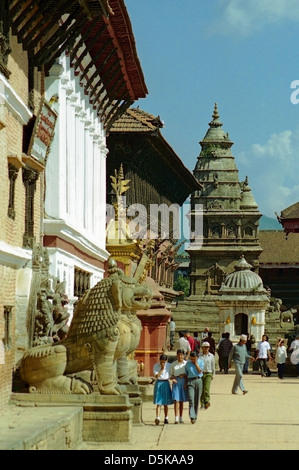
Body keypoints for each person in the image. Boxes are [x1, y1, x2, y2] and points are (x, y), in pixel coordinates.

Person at [153, 354, 173, 425]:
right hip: (159, 383)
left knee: (165, 403)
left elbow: (171, 374)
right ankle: (157, 417)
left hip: (166, 383)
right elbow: (157, 376)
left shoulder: (169, 365)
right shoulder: (156, 366)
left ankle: (166, 417)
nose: (163, 363)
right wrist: (162, 368)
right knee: (158, 402)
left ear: (166, 361)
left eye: (164, 362)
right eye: (161, 362)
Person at [185, 351, 204, 424]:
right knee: (191, 399)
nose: (192, 360)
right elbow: (186, 373)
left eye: (194, 359)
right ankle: (192, 416)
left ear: (197, 357)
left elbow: (200, 371)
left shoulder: (201, 362)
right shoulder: (188, 364)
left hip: (198, 380)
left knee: (196, 399)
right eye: (191, 359)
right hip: (190, 381)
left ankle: (195, 415)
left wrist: (196, 363)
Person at [170, 349, 188, 424]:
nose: (180, 356)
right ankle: (176, 418)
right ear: (176, 355)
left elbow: (187, 374)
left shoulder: (186, 364)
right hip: (176, 382)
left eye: (181, 355)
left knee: (181, 401)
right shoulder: (173, 364)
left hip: (183, 381)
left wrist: (185, 382)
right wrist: (173, 379)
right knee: (176, 400)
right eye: (178, 355)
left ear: (183, 355)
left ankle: (181, 417)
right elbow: (171, 375)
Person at [199, 341, 215, 409]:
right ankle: (202, 403)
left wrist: (213, 375)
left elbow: (213, 366)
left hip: (208, 373)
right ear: (202, 348)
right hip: (201, 374)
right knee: (201, 389)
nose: (206, 348)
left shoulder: (211, 356)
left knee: (206, 388)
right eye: (205, 347)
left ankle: (206, 401)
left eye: (207, 347)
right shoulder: (199, 356)